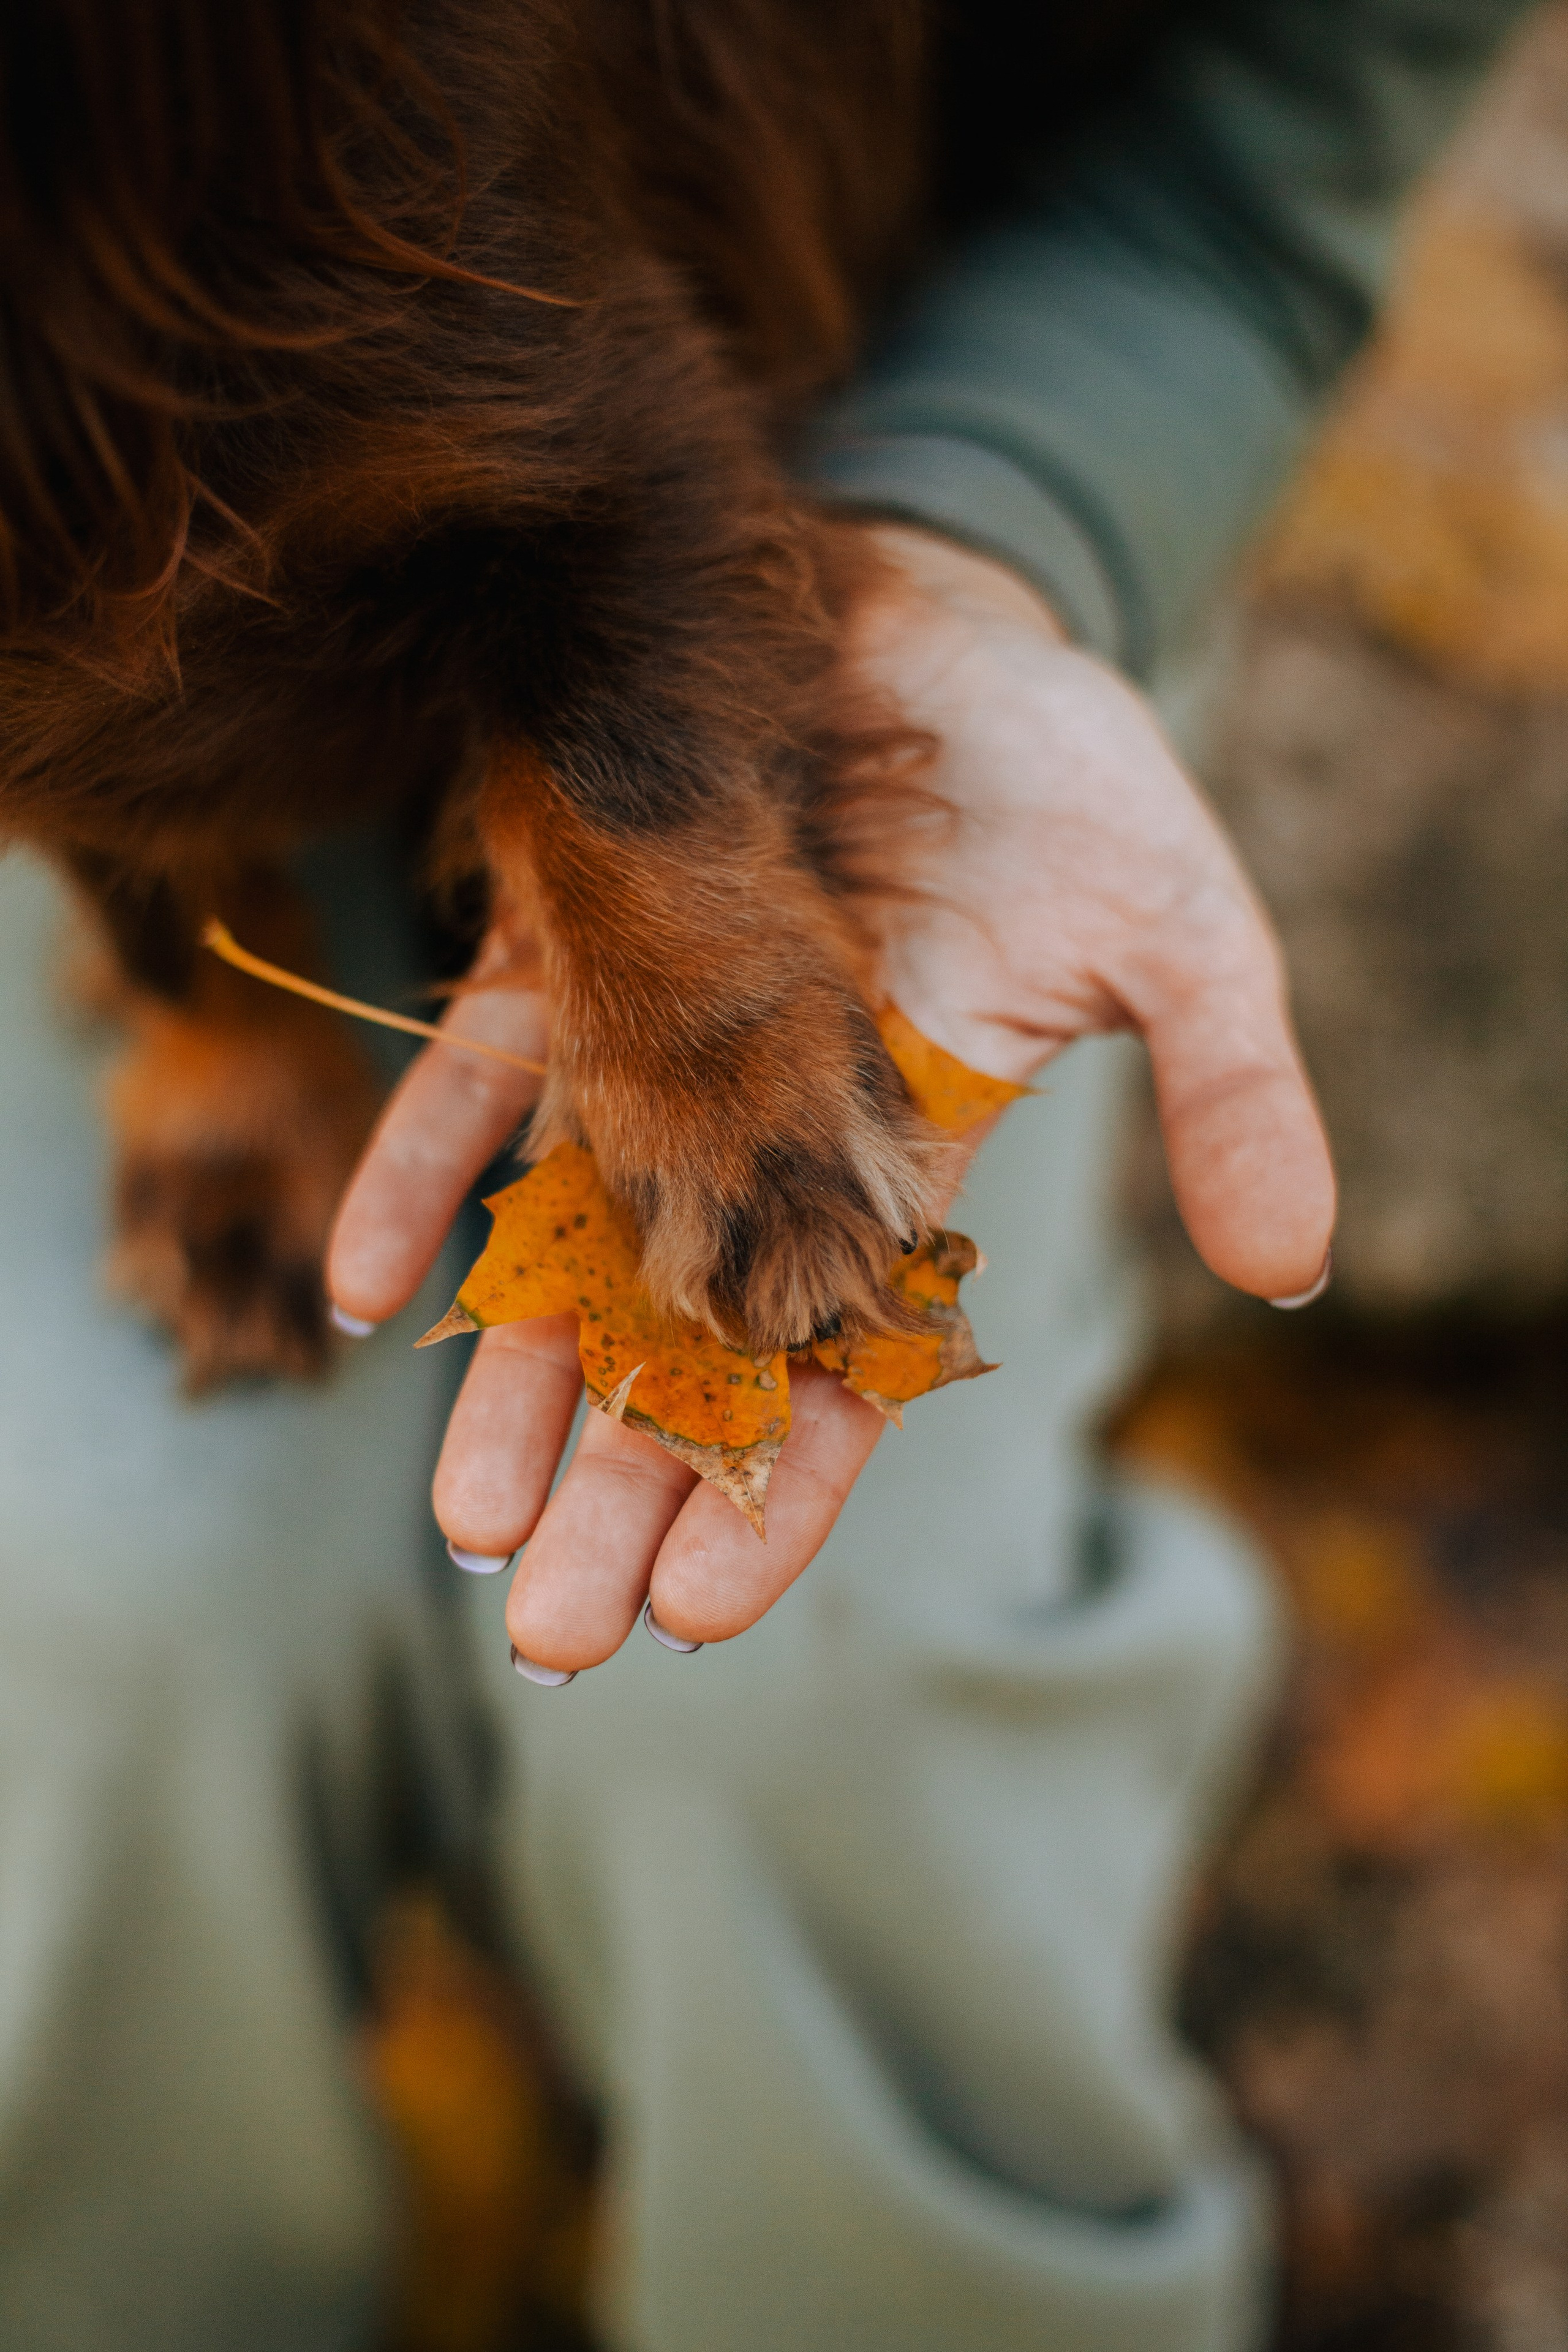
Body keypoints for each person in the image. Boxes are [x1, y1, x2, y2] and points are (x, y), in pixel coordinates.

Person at [0, 4, 1532, 2348]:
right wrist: (206, 1020)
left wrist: (994, 539)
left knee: (809, 1706)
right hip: (143, 711)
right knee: (100, 1606)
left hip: (789, 509)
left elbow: (1264, 136)